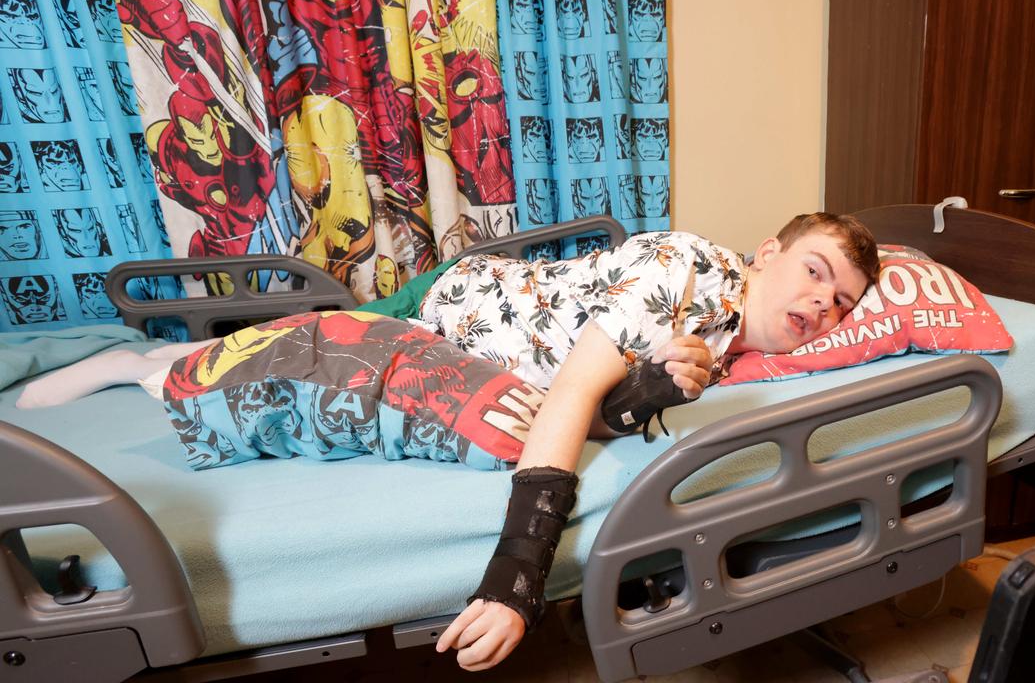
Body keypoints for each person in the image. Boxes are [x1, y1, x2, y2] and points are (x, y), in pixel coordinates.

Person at [15, 212, 880, 671]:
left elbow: (599, 390)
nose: (822, 305)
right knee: (287, 352)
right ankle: (139, 366)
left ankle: (157, 361)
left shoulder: (730, 334)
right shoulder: (685, 274)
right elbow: (573, 397)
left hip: (491, 330)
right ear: (767, 252)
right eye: (815, 271)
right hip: (452, 308)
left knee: (296, 342)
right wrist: (515, 582)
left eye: (841, 303)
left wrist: (650, 389)